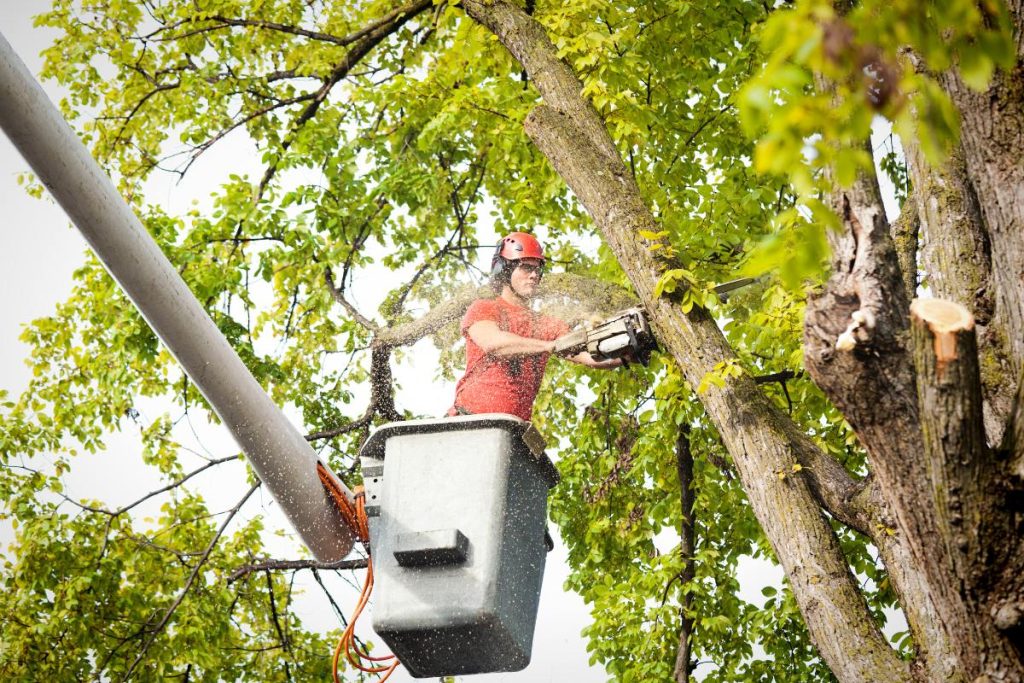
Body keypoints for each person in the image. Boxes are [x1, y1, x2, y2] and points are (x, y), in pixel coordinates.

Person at [448, 232, 624, 421]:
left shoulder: (546, 325)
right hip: (469, 422)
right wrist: (547, 346)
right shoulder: (485, 308)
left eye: (537, 269)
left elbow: (590, 356)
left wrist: (625, 353)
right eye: (525, 268)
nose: (533, 275)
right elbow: (494, 344)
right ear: (504, 270)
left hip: (513, 429)